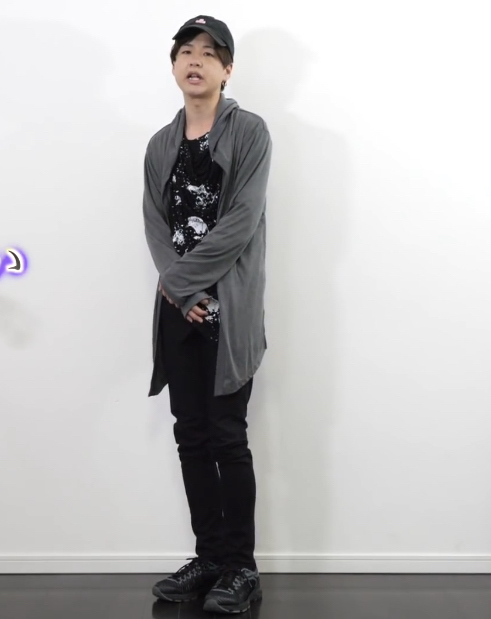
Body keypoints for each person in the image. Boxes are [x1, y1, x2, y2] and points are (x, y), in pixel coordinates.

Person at [142, 15, 272, 615]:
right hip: (178, 309)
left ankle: (242, 567)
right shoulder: (160, 144)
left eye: (209, 53)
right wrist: (179, 289)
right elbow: (154, 222)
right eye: (185, 52)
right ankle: (210, 557)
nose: (195, 61)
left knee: (227, 437)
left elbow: (242, 221)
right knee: (190, 437)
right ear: (174, 65)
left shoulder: (249, 132)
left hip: (228, 312)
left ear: (227, 69)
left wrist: (183, 282)